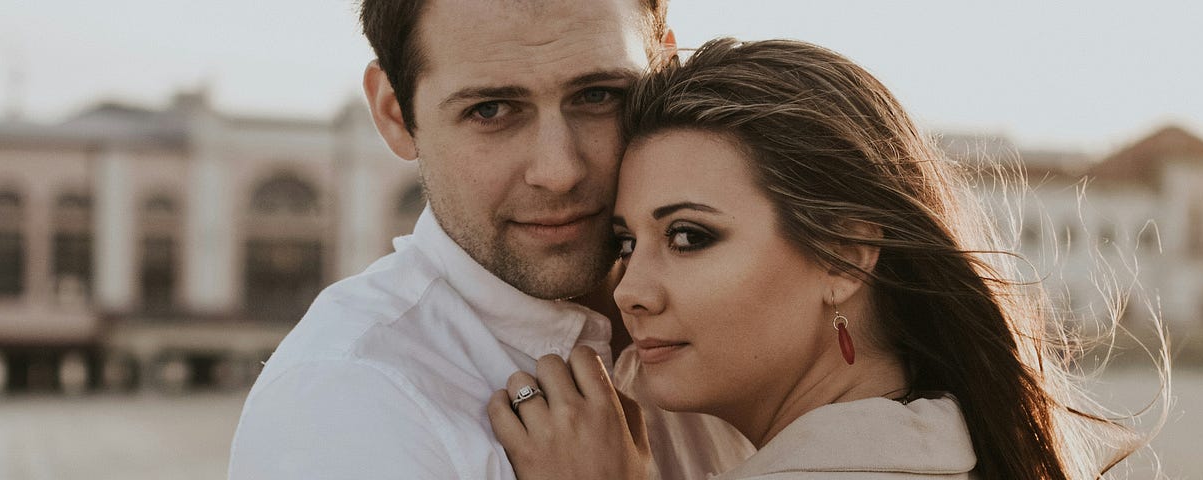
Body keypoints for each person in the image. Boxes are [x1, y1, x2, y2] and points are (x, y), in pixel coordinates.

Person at [489, 38, 1150, 480]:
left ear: (845, 257)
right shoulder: (946, 449)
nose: (631, 290)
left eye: (690, 237)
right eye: (627, 242)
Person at [227, 1, 752, 478]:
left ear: (665, 75)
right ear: (395, 112)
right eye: (491, 110)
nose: (559, 171)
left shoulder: (752, 324)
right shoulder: (346, 401)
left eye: (599, 96)